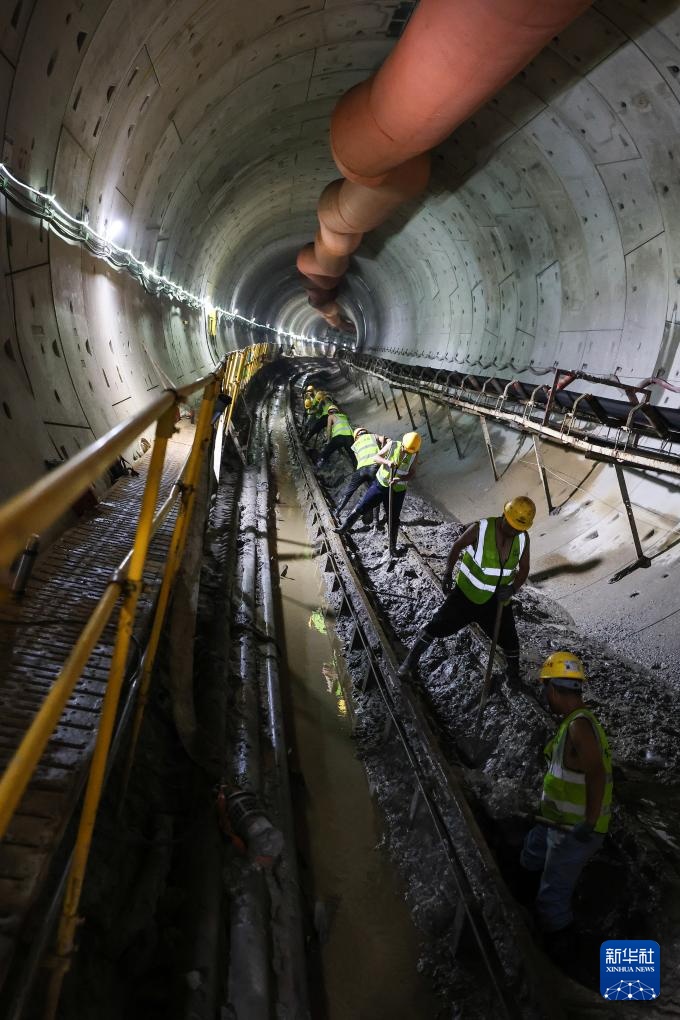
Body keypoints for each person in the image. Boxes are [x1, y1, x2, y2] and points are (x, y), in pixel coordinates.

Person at [520, 651, 612, 942]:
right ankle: (521, 887)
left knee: (552, 896)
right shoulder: (573, 722)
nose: (545, 696)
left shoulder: (578, 726)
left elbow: (597, 773)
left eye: (545, 689)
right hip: (555, 819)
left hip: (575, 829)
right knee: (530, 853)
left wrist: (589, 820)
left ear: (554, 689)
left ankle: (559, 942)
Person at [397, 496, 535, 684]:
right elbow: (457, 546)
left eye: (518, 529)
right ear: (504, 515)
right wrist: (447, 574)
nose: (513, 531)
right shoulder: (481, 528)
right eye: (511, 526)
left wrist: (512, 589)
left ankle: (513, 675)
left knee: (510, 639)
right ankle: (410, 661)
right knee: (437, 625)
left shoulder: (522, 538)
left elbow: (524, 568)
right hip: (466, 596)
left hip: (497, 601)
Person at [334, 431, 421, 554]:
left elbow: (412, 472)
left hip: (398, 490)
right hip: (381, 484)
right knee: (362, 505)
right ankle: (344, 527)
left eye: (410, 451)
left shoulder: (414, 453)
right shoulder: (393, 445)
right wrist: (387, 462)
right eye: (406, 450)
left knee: (393, 519)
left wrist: (400, 479)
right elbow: (376, 457)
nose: (407, 453)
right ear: (403, 444)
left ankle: (392, 547)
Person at [335, 428, 387, 515]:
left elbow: (358, 460)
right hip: (374, 467)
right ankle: (376, 522)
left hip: (361, 469)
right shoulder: (373, 436)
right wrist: (382, 450)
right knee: (375, 493)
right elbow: (384, 439)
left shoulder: (354, 445)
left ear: (356, 437)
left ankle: (337, 512)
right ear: (365, 432)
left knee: (349, 492)